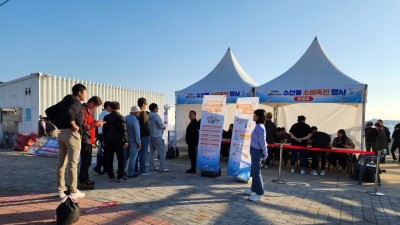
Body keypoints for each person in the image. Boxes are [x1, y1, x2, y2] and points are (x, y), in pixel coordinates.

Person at [55, 83, 87, 199]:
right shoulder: (76, 102)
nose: (85, 95)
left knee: (61, 163)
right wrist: (74, 125)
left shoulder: (66, 100)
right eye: (85, 92)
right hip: (72, 135)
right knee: (73, 164)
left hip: (62, 133)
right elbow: (70, 112)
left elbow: (57, 110)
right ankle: (73, 190)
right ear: (80, 93)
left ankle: (60, 189)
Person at [78, 96, 104, 190]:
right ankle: (82, 181)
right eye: (95, 106)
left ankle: (85, 178)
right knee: (85, 161)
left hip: (89, 139)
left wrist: (96, 122)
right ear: (92, 103)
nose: (95, 108)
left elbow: (90, 122)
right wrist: (96, 124)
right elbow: (85, 126)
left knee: (87, 161)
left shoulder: (88, 111)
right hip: (84, 139)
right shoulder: (82, 110)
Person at [243, 109, 268, 202]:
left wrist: (265, 153)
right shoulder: (257, 126)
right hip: (254, 150)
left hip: (257, 152)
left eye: (254, 115)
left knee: (257, 173)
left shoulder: (260, 127)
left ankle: (259, 193)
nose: (253, 116)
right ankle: (253, 189)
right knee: (254, 171)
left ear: (258, 117)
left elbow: (263, 142)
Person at [103, 101, 128, 182]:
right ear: (119, 108)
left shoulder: (106, 117)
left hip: (108, 140)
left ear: (111, 107)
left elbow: (104, 130)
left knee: (109, 158)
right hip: (118, 140)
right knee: (120, 159)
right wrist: (125, 141)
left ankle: (111, 175)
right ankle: (120, 176)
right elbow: (123, 130)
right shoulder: (121, 117)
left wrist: (104, 140)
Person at [148, 103, 169, 172]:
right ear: (154, 109)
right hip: (157, 136)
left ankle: (151, 167)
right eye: (157, 108)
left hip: (150, 136)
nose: (158, 109)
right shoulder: (156, 116)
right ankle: (161, 168)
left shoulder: (148, 115)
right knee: (162, 152)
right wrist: (164, 127)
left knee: (151, 152)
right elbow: (160, 125)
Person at [93, 101, 112, 175]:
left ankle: (102, 167)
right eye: (110, 107)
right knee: (106, 152)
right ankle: (100, 167)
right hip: (105, 135)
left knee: (101, 152)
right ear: (107, 106)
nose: (111, 108)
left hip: (101, 135)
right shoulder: (107, 114)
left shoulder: (101, 113)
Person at [125, 106, 142, 178]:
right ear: (136, 112)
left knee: (125, 157)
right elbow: (137, 132)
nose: (139, 114)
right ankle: (131, 173)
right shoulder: (134, 120)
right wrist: (139, 142)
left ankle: (121, 171)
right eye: (138, 112)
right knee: (133, 157)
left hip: (126, 141)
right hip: (133, 141)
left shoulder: (125, 118)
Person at [135, 97, 151, 175]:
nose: (147, 105)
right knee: (143, 153)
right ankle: (143, 170)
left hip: (137, 135)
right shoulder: (143, 113)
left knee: (137, 153)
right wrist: (149, 132)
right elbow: (145, 125)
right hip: (144, 135)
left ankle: (135, 169)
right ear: (143, 104)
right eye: (146, 104)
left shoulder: (136, 113)